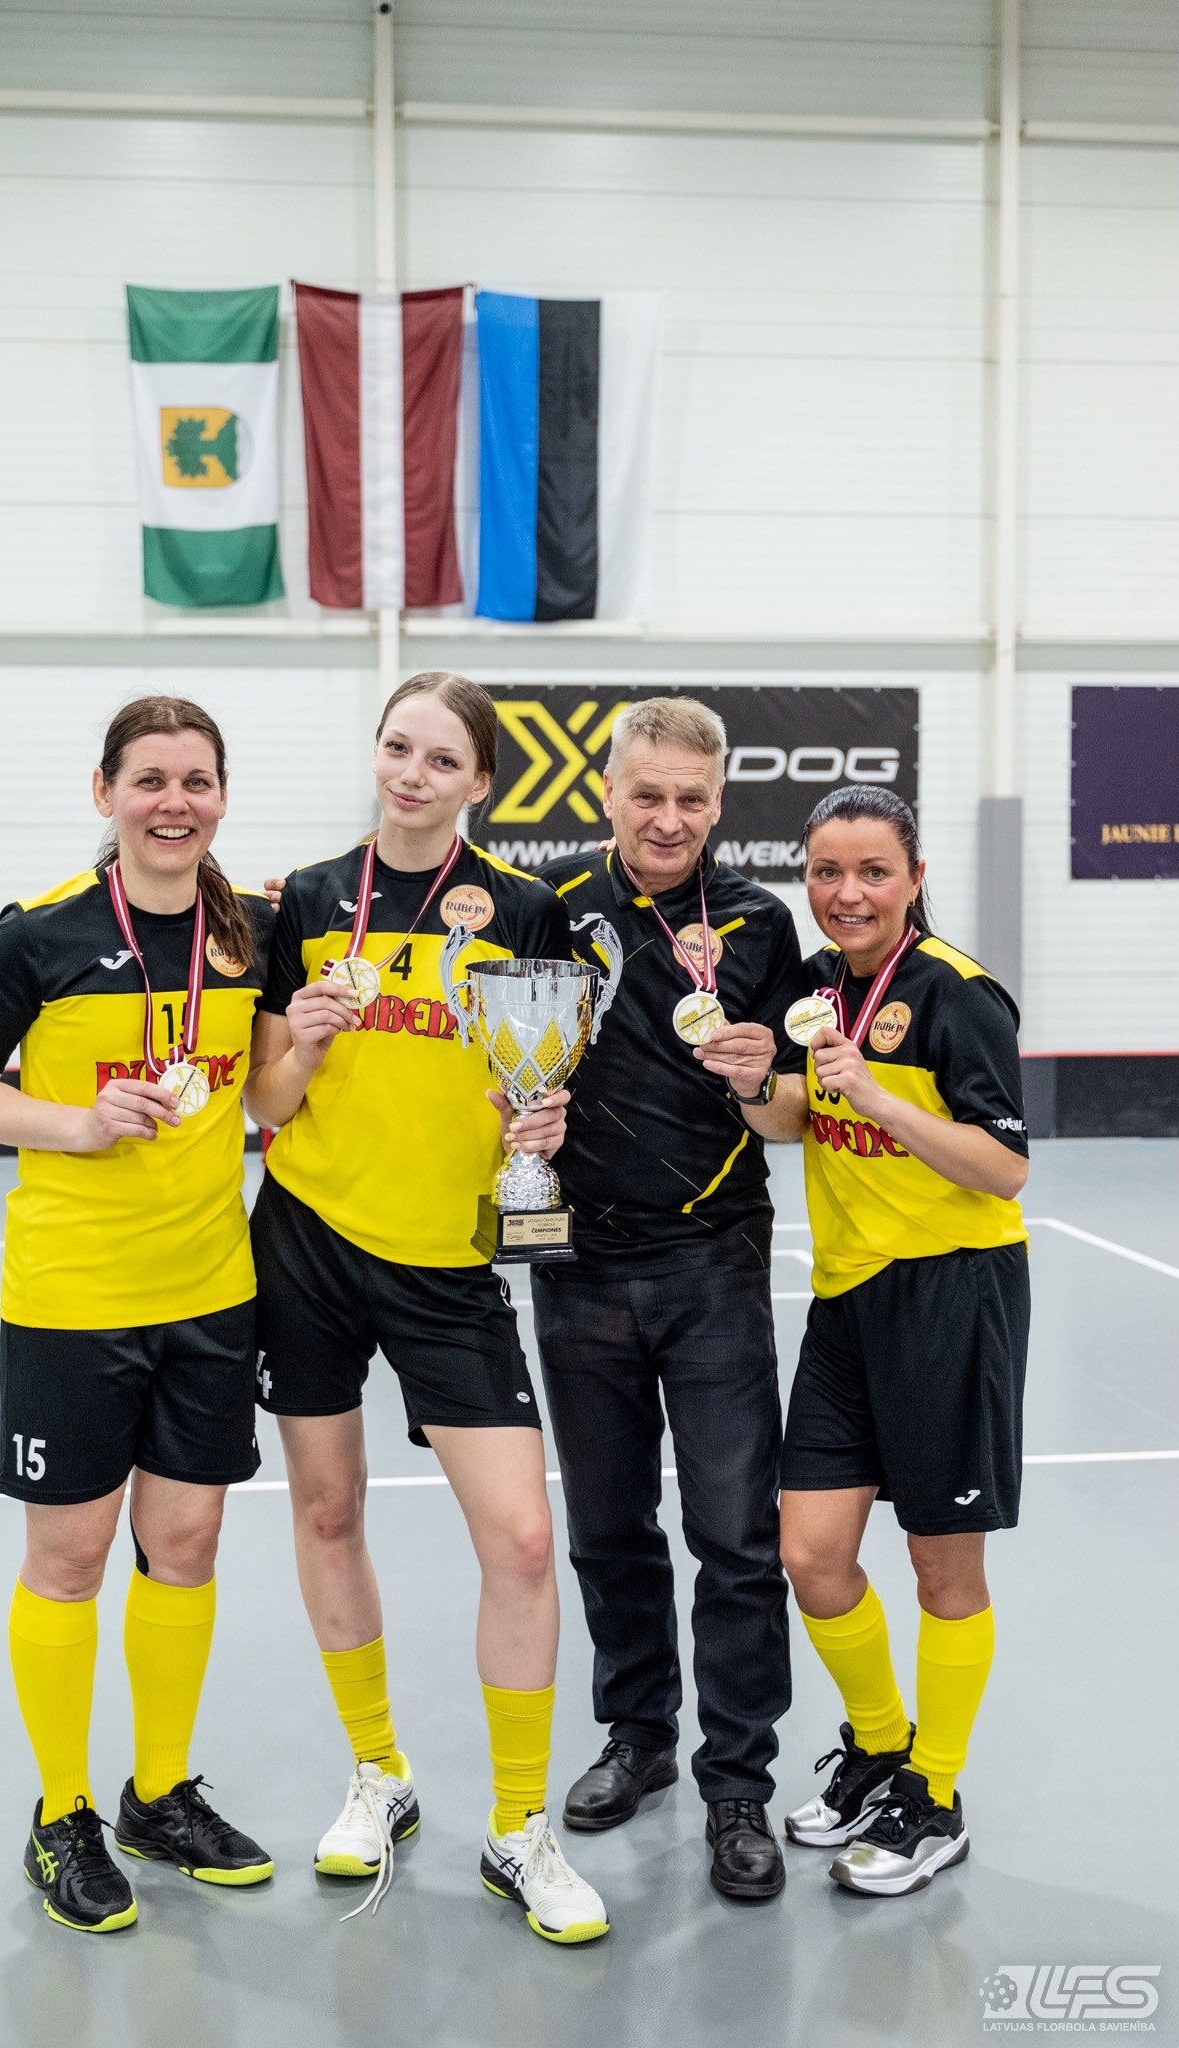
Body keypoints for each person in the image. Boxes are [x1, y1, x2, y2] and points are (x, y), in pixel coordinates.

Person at [242, 670, 610, 1946]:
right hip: (308, 1243)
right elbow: (264, 1103)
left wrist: (542, 1125)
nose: (411, 773)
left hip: (449, 1263)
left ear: (480, 781)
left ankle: (517, 1823)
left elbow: (543, 1076)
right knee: (327, 1509)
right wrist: (306, 1042)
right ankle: (377, 1770)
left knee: (521, 1540)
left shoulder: (525, 909)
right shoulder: (300, 899)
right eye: (396, 746)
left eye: (441, 758)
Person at [0, 695, 276, 1934]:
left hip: (212, 1291)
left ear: (221, 795)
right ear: (105, 791)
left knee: (186, 1545)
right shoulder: (39, 932)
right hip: (73, 1295)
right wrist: (74, 1123)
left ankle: (158, 1792)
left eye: (196, 780)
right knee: (69, 1559)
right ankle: (62, 1810)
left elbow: (266, 1086)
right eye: (150, 779)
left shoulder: (251, 931)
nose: (173, 802)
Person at [534, 696, 810, 1902]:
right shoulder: (549, 900)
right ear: (607, 792)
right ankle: (637, 1732)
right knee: (607, 1525)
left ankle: (736, 1782)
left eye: (690, 798)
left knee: (736, 1536)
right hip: (578, 1256)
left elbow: (789, 1115)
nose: (666, 817)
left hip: (713, 1258)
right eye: (645, 793)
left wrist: (756, 1079)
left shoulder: (758, 920)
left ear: (717, 801)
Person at [772, 784, 1030, 1897]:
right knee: (810, 1554)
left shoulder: (958, 993)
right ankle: (879, 1747)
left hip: (950, 1295)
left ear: (914, 877)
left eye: (871, 870)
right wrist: (750, 1082)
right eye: (825, 871)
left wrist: (878, 1098)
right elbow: (789, 1118)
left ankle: (935, 1793)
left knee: (939, 1563)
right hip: (846, 1301)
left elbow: (1004, 1166)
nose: (847, 892)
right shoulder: (815, 987)